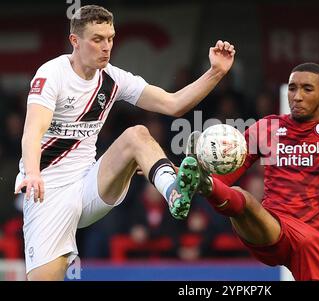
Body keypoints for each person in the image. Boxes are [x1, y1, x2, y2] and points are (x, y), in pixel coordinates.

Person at [13, 5, 235, 280]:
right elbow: (33, 130)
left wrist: (215, 72)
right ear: (75, 41)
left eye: (110, 38)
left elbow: (174, 104)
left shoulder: (113, 79)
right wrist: (33, 173)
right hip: (48, 193)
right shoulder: (51, 75)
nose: (106, 47)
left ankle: (173, 191)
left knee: (137, 135)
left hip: (89, 185)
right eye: (97, 39)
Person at [178, 56, 319, 280]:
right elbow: (224, 180)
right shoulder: (267, 128)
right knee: (241, 197)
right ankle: (203, 182)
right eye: (292, 88)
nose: (297, 96)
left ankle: (203, 182)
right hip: (275, 231)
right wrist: (187, 176)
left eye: (307, 89)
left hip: (317, 238)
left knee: (298, 235)